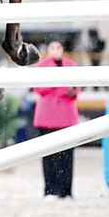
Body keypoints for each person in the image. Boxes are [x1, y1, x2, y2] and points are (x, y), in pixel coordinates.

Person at [32, 39, 79, 200]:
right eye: (52, 47)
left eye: (58, 47)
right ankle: (51, 189)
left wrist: (62, 87)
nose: (55, 50)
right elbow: (39, 88)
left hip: (66, 116)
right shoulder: (42, 66)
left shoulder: (71, 65)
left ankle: (66, 190)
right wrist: (62, 86)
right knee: (49, 156)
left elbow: (76, 88)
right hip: (48, 116)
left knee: (67, 156)